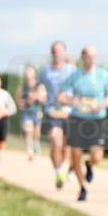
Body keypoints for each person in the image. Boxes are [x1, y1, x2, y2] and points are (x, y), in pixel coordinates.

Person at [58, 47, 108, 201]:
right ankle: (82, 187)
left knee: (97, 156)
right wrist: (72, 101)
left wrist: (103, 105)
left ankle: (89, 164)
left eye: (94, 56)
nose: (91, 59)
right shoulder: (75, 76)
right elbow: (61, 96)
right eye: (88, 57)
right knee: (75, 153)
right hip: (77, 118)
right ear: (82, 58)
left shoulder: (103, 75)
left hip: (97, 119)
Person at [39, 42, 76, 188]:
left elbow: (78, 89)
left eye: (60, 51)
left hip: (68, 113)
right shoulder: (45, 71)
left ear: (65, 53)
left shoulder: (72, 70)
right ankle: (59, 172)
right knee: (55, 140)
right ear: (51, 53)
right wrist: (40, 94)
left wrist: (72, 101)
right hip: (52, 112)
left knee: (65, 148)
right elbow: (39, 86)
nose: (57, 54)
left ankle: (64, 169)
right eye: (54, 51)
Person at [17, 66, 46, 161]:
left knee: (36, 133)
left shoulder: (39, 86)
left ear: (34, 76)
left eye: (30, 76)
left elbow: (44, 100)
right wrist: (21, 103)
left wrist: (36, 97)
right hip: (27, 113)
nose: (28, 78)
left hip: (37, 112)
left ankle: (36, 143)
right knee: (28, 131)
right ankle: (30, 151)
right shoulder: (23, 87)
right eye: (26, 76)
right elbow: (18, 97)